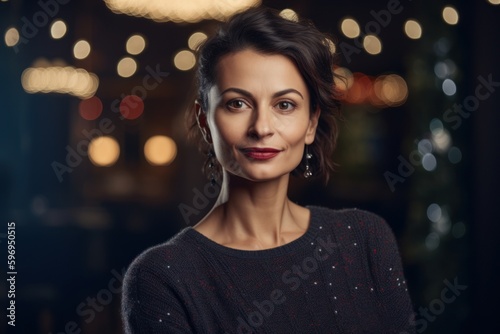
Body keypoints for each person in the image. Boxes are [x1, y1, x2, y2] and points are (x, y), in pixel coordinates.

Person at [122, 6, 416, 334]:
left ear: (311, 123)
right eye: (237, 103)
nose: (262, 127)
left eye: (284, 105)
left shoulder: (365, 238)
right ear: (205, 122)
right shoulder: (162, 277)